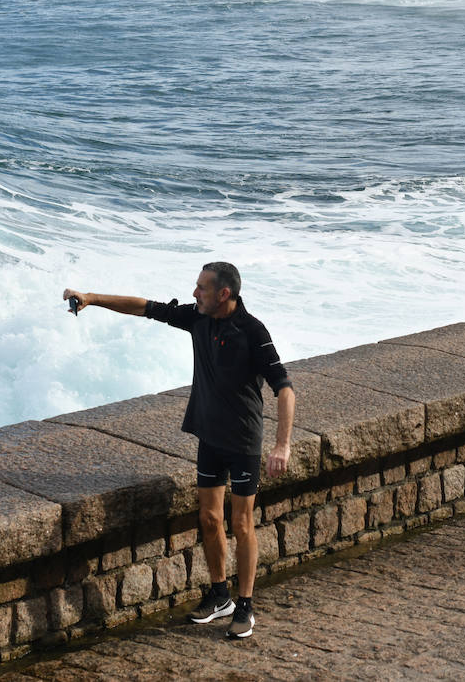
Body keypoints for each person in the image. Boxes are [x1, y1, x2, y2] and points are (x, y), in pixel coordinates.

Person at [63, 262, 295, 640]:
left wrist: (281, 445)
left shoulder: (253, 332)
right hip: (210, 439)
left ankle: (246, 605)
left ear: (224, 294)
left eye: (202, 288)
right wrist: (92, 298)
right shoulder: (198, 319)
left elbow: (284, 388)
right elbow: (145, 307)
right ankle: (220, 596)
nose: (194, 294)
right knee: (208, 519)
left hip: (244, 443)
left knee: (241, 523)